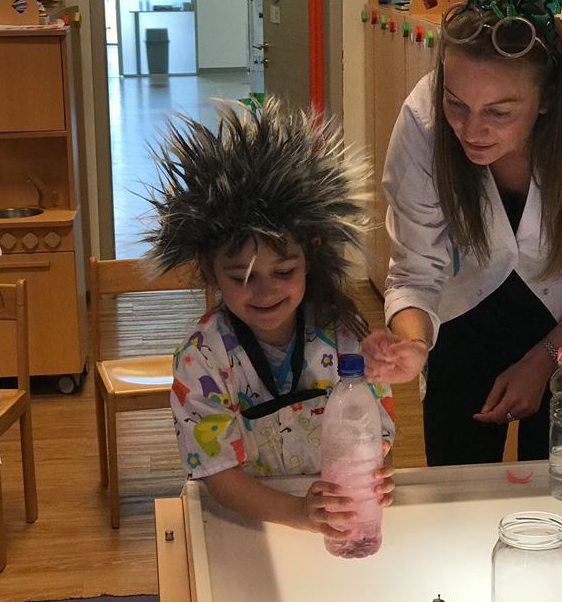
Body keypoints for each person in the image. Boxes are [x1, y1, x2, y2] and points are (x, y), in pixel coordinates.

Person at [363, 3, 562, 466]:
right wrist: (413, 344)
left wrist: (543, 360)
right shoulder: (424, 122)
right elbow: (414, 270)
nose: (471, 129)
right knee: (457, 476)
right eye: (456, 104)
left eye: (500, 112)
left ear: (546, 99)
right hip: (469, 305)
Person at [144, 101, 395, 536]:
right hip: (243, 524)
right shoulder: (201, 360)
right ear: (209, 270)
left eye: (284, 272)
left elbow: (376, 434)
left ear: (309, 257)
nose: (266, 292)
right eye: (242, 277)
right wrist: (298, 513)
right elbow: (219, 476)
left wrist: (373, 475)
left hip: (334, 520)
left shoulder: (344, 336)